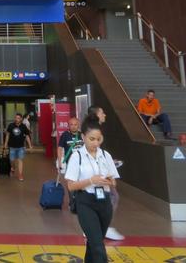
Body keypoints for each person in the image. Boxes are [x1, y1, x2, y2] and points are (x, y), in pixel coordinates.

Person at [65, 117, 120, 263]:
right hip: (85, 202)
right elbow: (70, 186)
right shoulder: (77, 156)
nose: (96, 143)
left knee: (94, 242)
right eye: (92, 139)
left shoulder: (105, 155)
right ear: (83, 137)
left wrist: (109, 181)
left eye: (98, 139)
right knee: (97, 245)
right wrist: (91, 181)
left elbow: (114, 182)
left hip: (104, 203)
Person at [86, 106, 124, 241]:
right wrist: (108, 171)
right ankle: (104, 227)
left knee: (100, 198)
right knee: (112, 196)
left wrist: (110, 161)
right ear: (96, 114)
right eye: (102, 112)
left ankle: (93, 227)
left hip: (96, 169)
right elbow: (94, 150)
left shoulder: (90, 128)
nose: (104, 115)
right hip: (97, 170)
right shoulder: (95, 129)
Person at [3, 113, 32, 181]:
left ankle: (20, 174)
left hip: (21, 147)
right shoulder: (11, 125)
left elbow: (27, 136)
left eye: (18, 118)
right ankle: (13, 168)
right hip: (12, 147)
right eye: (16, 118)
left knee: (20, 160)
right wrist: (5, 144)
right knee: (11, 160)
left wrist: (30, 145)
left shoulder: (23, 126)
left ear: (21, 119)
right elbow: (7, 135)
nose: (16, 119)